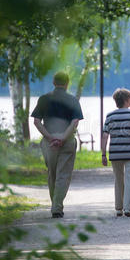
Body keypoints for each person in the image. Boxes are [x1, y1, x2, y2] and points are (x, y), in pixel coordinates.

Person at [31, 71, 83, 218]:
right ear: (67, 83)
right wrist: (63, 138)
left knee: (52, 174)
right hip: (67, 141)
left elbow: (36, 121)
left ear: (54, 82)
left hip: (49, 143)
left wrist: (50, 138)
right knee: (63, 175)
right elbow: (74, 122)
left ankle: (56, 205)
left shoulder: (44, 99)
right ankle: (57, 206)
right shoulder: (72, 100)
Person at [101, 88, 130, 217]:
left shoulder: (110, 116)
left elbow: (105, 136)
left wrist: (104, 154)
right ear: (126, 100)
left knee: (118, 179)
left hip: (115, 153)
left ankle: (118, 208)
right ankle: (127, 209)